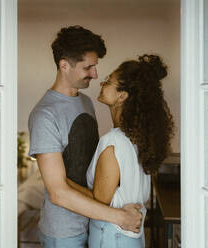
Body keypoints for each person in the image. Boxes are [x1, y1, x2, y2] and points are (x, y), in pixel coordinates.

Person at [28, 25, 142, 248]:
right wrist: (120, 216)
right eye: (88, 67)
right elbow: (58, 192)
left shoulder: (86, 102)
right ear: (64, 65)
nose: (95, 74)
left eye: (95, 67)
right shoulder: (45, 115)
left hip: (96, 223)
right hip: (64, 233)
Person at [67, 54, 174, 247]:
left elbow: (99, 200)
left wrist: (61, 180)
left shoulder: (113, 142)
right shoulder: (138, 138)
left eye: (109, 81)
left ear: (122, 96)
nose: (102, 84)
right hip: (132, 238)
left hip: (111, 238)